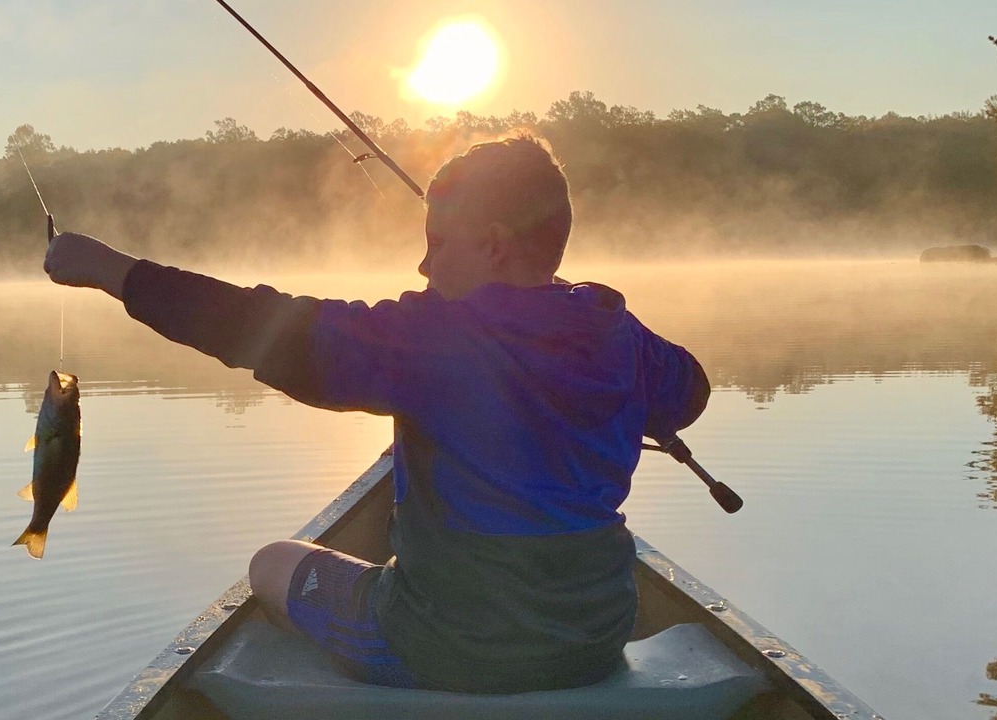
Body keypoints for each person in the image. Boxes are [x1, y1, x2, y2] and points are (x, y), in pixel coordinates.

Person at [43, 132, 709, 694]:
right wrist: (565, 314)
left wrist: (111, 270)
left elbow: (260, 326)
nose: (422, 265)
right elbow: (692, 393)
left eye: (439, 242)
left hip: (444, 646)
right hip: (595, 638)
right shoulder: (616, 331)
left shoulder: (431, 338)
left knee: (271, 563)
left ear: (498, 245)